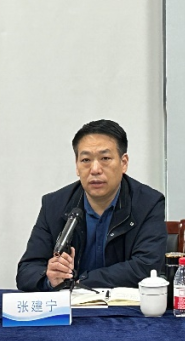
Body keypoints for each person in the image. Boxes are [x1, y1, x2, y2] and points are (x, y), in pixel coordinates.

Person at [16, 119, 167, 291]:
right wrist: (51, 278)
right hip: (70, 305)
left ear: (123, 163)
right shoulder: (54, 205)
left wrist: (81, 281)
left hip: (122, 305)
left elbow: (146, 267)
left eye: (105, 158)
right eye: (86, 160)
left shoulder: (148, 203)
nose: (95, 169)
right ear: (77, 166)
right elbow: (27, 271)